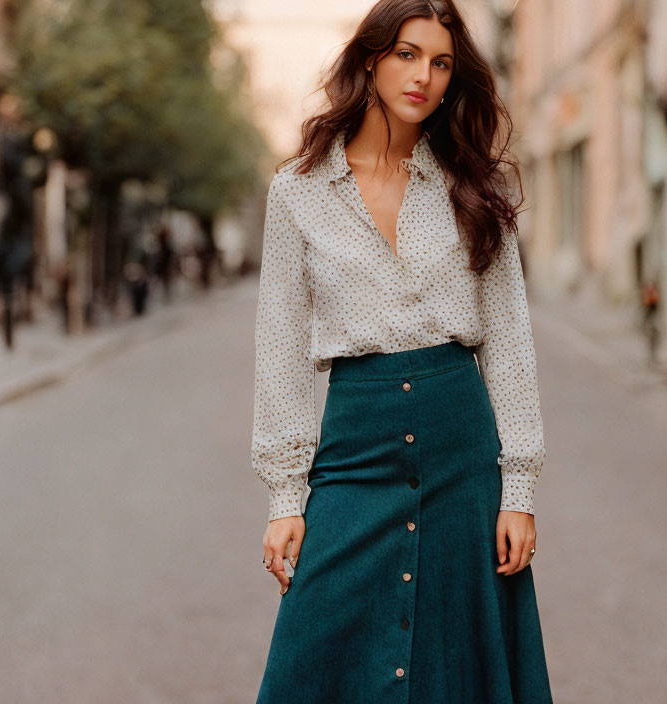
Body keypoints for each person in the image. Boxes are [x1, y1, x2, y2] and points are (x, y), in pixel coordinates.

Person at [252, 1, 553, 701]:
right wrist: (285, 496)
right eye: (408, 55)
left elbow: (509, 339)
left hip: (461, 448)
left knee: (459, 661)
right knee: (315, 648)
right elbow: (279, 345)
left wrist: (519, 490)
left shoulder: (475, 186)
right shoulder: (298, 192)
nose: (424, 75)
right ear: (371, 60)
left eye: (441, 62)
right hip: (354, 447)